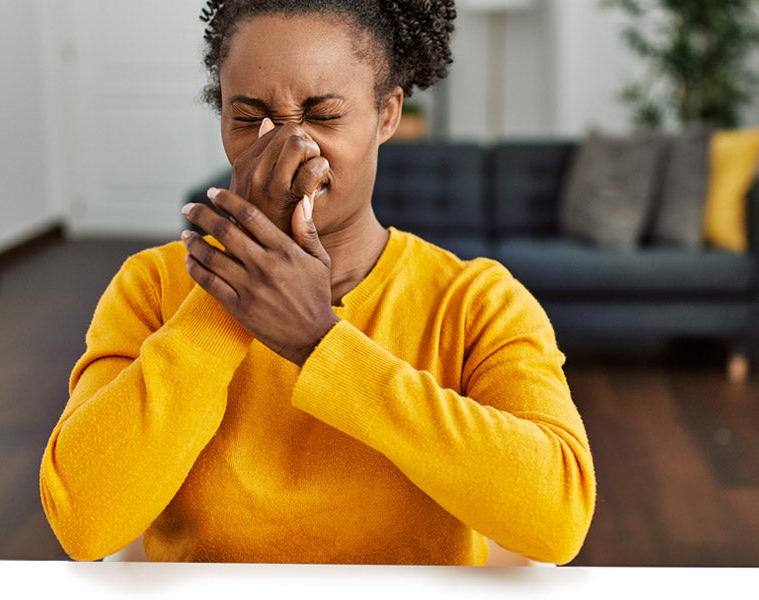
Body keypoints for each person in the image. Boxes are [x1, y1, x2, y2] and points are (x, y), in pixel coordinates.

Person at [38, 0, 595, 565]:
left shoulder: (476, 302)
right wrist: (227, 302)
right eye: (248, 116)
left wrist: (320, 344)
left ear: (387, 114)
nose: (288, 147)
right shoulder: (153, 287)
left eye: (323, 114)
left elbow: (557, 519)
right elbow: (84, 523)